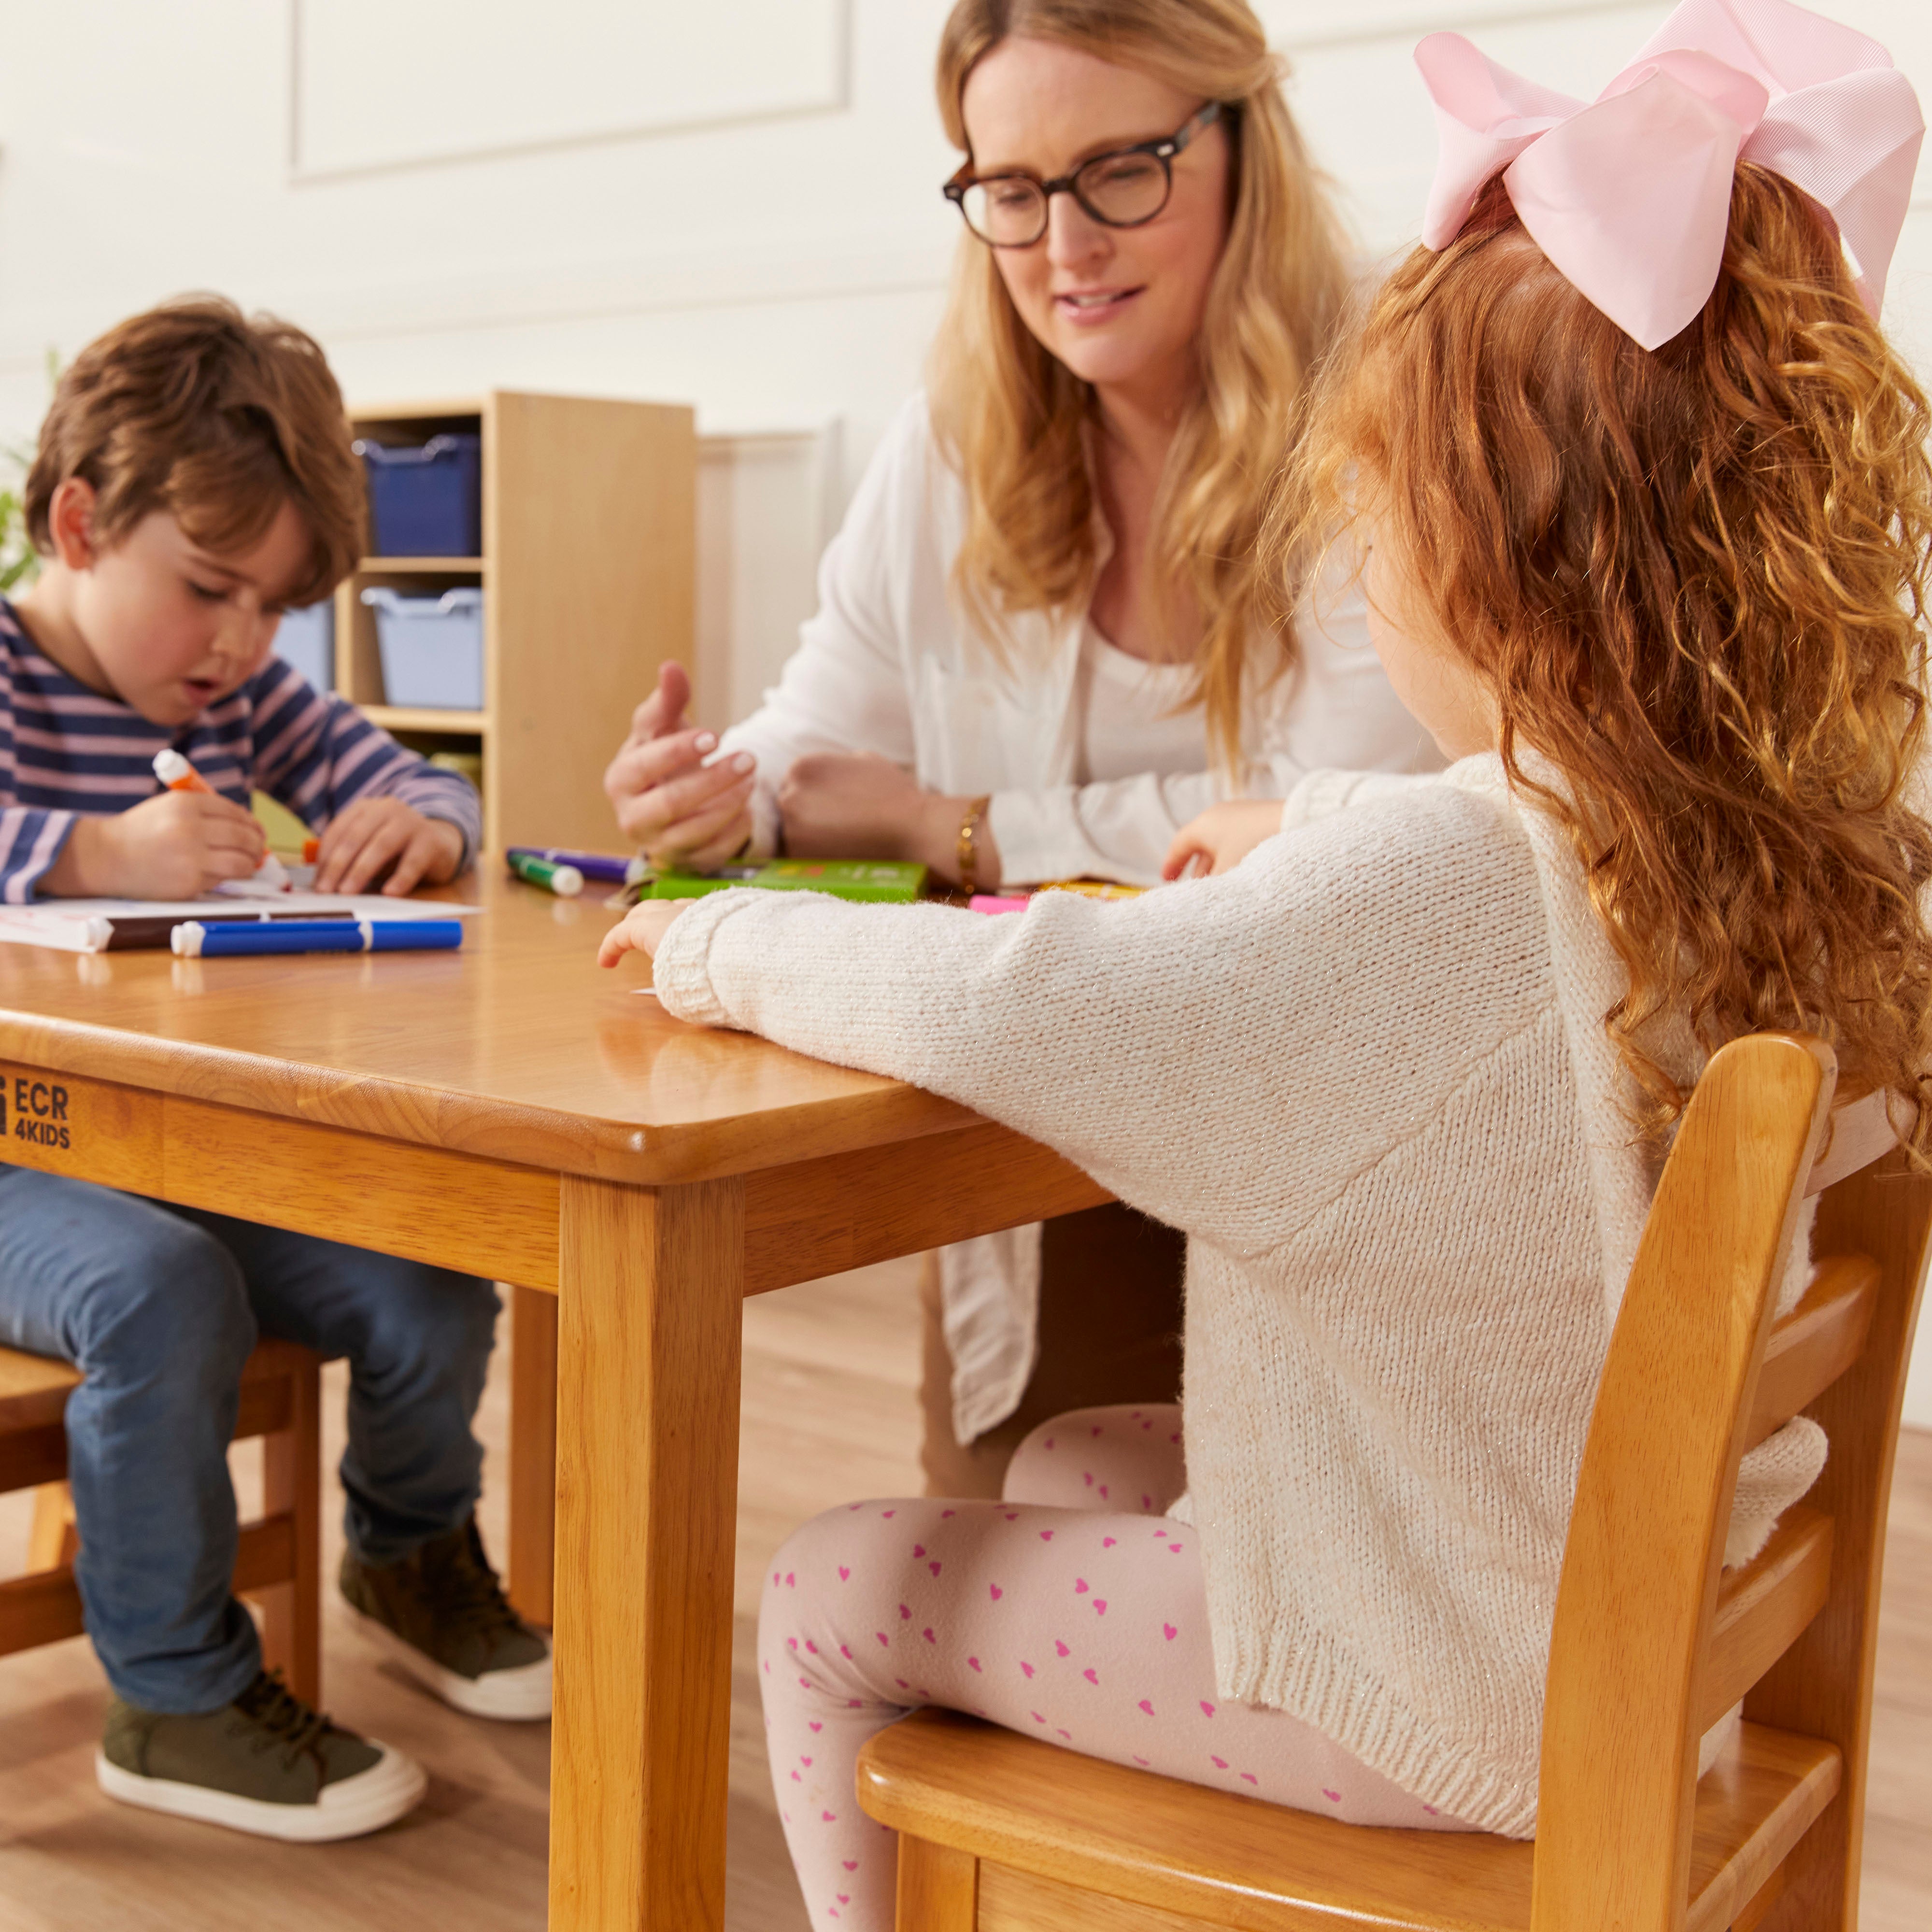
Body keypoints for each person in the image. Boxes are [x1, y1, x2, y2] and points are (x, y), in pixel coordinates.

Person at [600, 4, 1932, 1922]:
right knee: (1069, 1458)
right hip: (1616, 1599)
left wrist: (723, 937)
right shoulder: (1772, 838)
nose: (1357, 545)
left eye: (1376, 506)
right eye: (1011, 188)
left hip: (1450, 1691)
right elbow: (1440, 902)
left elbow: (1026, 999)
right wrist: (1288, 839)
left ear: (1486, 551)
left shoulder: (1429, 876)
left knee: (826, 1590)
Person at [605, 0, 1438, 1500]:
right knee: (1003, 1555)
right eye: (1011, 189)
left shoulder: (1385, 402)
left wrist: (957, 827)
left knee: (1263, 1607)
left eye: (1123, 169)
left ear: (1242, 145)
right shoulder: (956, 436)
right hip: (1052, 1141)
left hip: (1334, 1152)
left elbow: (1334, 822)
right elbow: (821, 725)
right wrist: (729, 795)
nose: (1067, 244)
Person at [0, 298, 550, 1842]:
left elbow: (415, 774)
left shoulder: (239, 694)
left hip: (169, 1148)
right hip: (14, 1157)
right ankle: (172, 1700)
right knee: (158, 1292)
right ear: (80, 522)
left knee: (433, 1274)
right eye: (209, 590)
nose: (243, 640)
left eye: (278, 606)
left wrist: (426, 822)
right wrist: (95, 850)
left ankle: (407, 1551)